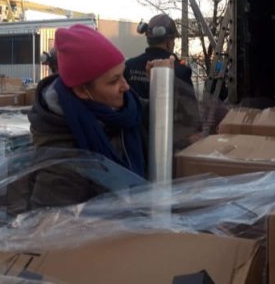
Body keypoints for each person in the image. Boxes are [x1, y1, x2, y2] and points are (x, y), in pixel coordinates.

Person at [28, 24, 172, 208]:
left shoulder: (125, 110)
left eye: (123, 75)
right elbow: (52, 225)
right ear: (81, 90)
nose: (126, 87)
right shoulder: (61, 158)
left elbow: (173, 122)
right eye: (114, 81)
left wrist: (163, 84)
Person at [124, 14, 201, 149]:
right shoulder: (180, 70)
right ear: (170, 41)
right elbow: (191, 116)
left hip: (134, 142)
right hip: (168, 145)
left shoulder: (129, 66)